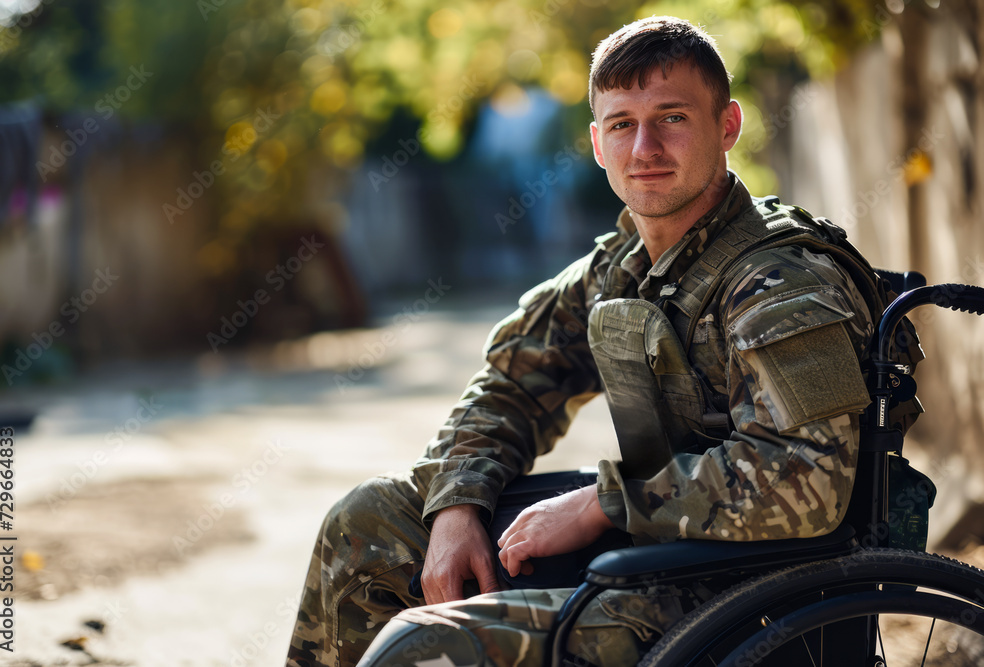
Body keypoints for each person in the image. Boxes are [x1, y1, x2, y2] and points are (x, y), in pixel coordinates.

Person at [288, 15, 896, 667]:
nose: (645, 149)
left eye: (672, 118)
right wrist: (458, 501)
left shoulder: (776, 282)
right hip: (658, 555)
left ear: (727, 127)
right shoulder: (625, 268)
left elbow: (808, 478)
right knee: (367, 524)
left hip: (747, 594)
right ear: (598, 144)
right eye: (622, 125)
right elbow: (510, 383)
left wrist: (604, 503)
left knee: (425, 644)